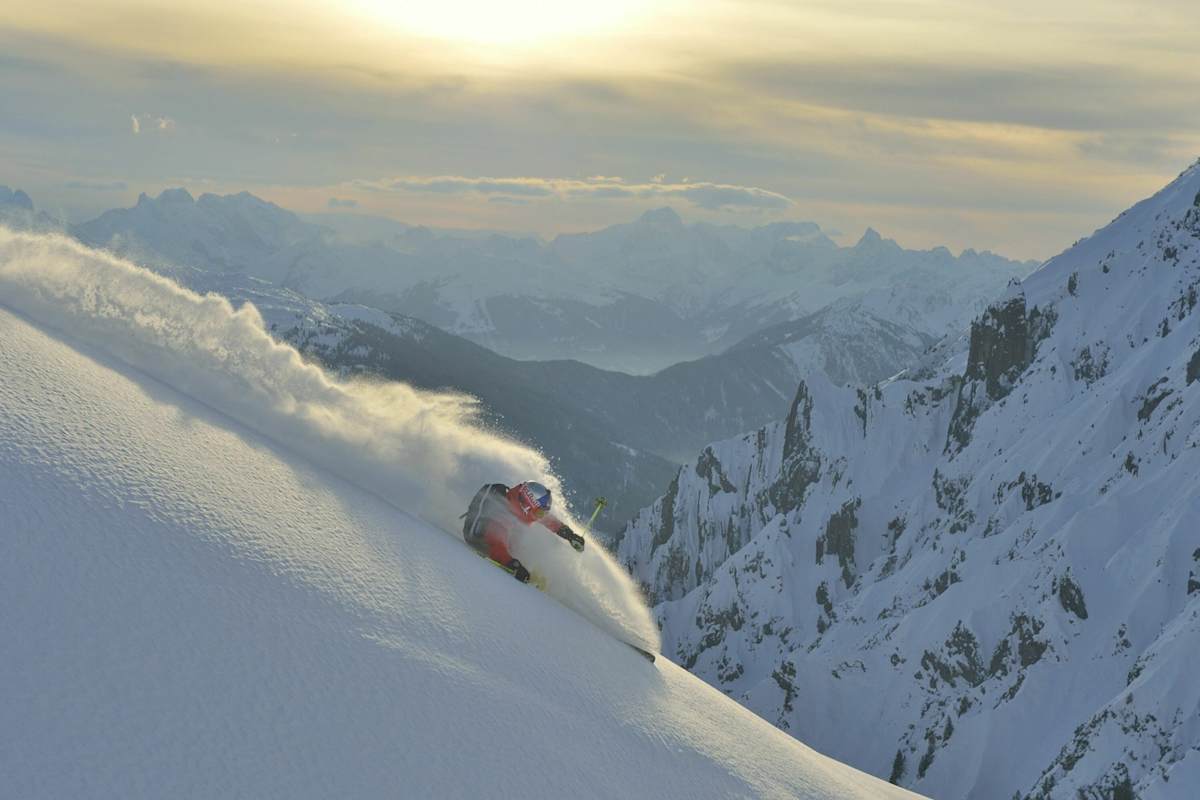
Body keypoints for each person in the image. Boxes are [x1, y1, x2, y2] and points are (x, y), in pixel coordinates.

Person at [462, 481, 585, 583]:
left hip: (504, 545)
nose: (540, 516)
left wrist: (569, 535)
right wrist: (514, 565)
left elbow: (549, 521)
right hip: (485, 546)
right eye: (539, 512)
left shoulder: (518, 508)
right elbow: (497, 547)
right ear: (527, 506)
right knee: (520, 542)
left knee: (522, 539)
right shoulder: (502, 516)